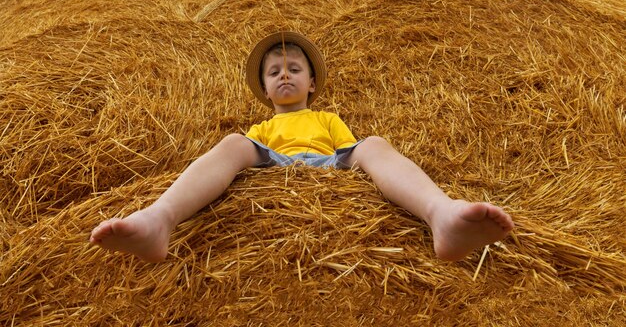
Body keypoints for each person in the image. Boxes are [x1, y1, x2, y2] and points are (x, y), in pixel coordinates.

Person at [89, 32, 514, 263]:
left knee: (375, 145)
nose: (285, 75)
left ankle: (441, 214)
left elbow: (351, 156)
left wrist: (358, 157)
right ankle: (159, 219)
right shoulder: (263, 126)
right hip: (273, 161)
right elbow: (246, 155)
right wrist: (250, 150)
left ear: (312, 83)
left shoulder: (327, 119)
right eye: (274, 72)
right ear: (265, 88)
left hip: (329, 161)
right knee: (233, 143)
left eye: (295, 69)